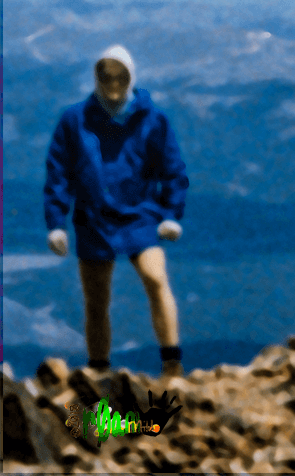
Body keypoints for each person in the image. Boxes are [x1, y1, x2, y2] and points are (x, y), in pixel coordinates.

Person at [43, 45, 190, 379]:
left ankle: (172, 362)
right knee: (97, 299)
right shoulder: (74, 120)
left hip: (142, 214)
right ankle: (99, 371)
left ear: (130, 76)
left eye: (119, 75)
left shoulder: (154, 119)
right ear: (96, 77)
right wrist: (56, 223)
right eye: (105, 75)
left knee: (156, 278)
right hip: (93, 219)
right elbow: (59, 172)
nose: (112, 82)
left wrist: (171, 214)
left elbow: (173, 169)